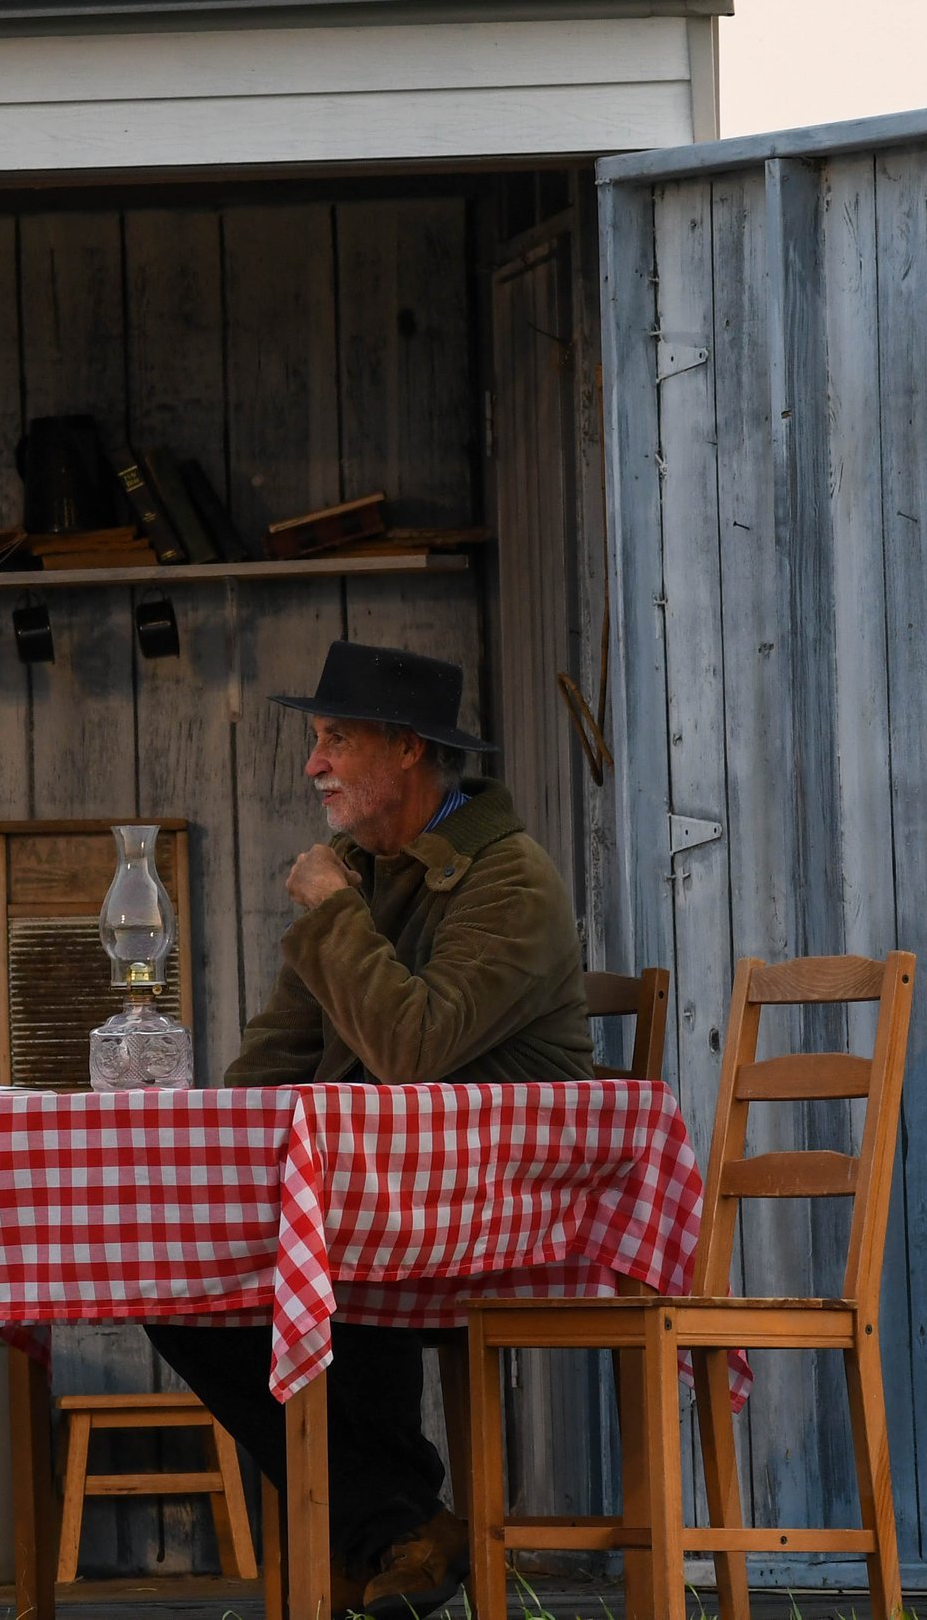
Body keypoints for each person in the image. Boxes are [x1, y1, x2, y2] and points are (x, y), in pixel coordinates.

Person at [144, 639, 596, 1620]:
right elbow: (274, 1056)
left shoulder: (507, 880)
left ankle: (384, 1528)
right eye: (316, 740)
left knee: (336, 1259)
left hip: (508, 1210)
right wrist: (212, 1153)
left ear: (404, 749)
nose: (312, 765)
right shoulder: (366, 871)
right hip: (389, 1201)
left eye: (333, 739)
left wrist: (332, 913)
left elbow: (412, 1046)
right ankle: (395, 1529)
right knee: (174, 1279)